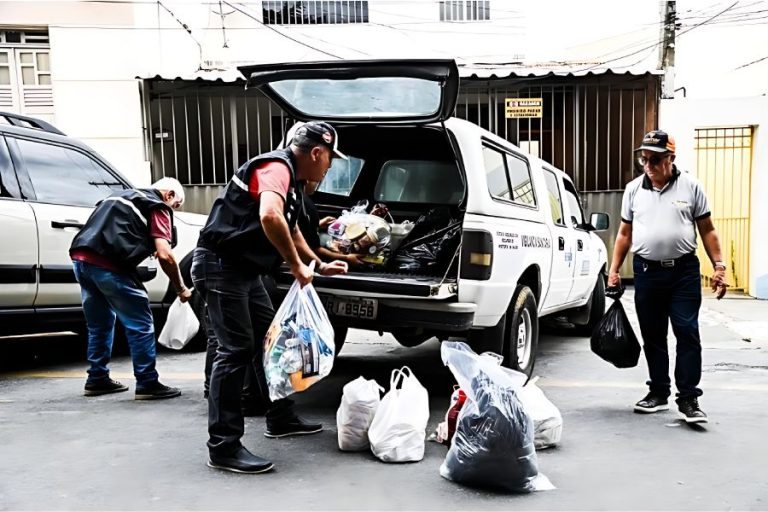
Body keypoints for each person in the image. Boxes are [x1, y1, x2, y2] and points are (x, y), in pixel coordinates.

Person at [192, 121, 349, 474]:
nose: (328, 167)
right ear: (316, 152)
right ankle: (223, 446)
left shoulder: (291, 183)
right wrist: (296, 266)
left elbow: (290, 227)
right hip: (220, 266)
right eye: (329, 160)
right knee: (234, 352)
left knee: (270, 341)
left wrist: (317, 264)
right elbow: (269, 215)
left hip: (244, 271)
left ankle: (280, 417)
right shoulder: (276, 166)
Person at [607, 130, 727, 424]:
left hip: (684, 273)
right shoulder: (634, 189)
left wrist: (720, 266)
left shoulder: (691, 187)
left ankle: (688, 399)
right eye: (643, 158)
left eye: (655, 159)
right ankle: (658, 393)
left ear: (671, 158)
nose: (648, 164)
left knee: (686, 332)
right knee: (653, 335)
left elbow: (707, 229)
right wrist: (613, 270)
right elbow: (625, 233)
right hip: (647, 271)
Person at [70, 177, 191, 400]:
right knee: (141, 324)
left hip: (81, 260)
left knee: (100, 324)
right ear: (170, 195)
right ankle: (147, 382)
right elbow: (165, 254)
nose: (172, 211)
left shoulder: (117, 197)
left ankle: (97, 378)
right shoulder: (158, 205)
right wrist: (181, 288)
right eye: (176, 207)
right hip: (109, 265)